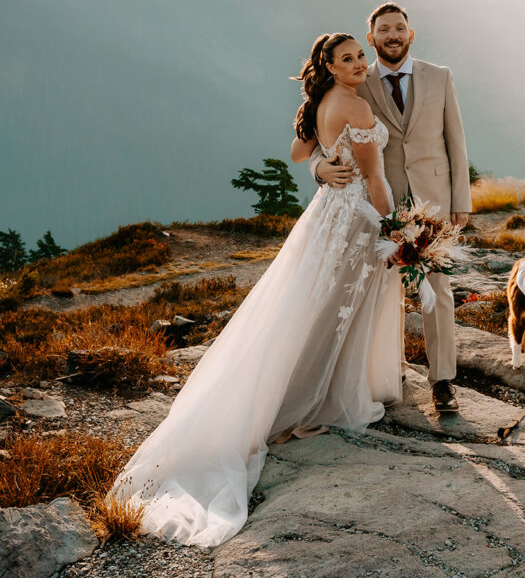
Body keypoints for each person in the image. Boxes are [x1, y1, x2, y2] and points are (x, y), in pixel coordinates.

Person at [108, 32, 402, 548]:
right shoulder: (353, 105)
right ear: (330, 67)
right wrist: (396, 228)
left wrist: (318, 165)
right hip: (355, 218)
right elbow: (375, 178)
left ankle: (299, 392)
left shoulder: (321, 103)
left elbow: (296, 151)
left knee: (308, 308)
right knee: (338, 308)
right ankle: (317, 399)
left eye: (360, 56)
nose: (358, 64)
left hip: (324, 217)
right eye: (348, 59)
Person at [309, 2, 471, 413]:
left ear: (410, 34)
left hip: (433, 203)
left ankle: (443, 381)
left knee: (438, 288)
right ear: (372, 38)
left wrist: (461, 201)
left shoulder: (440, 77)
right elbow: (316, 136)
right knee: (382, 292)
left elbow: (456, 140)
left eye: (399, 28)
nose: (392, 35)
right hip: (377, 203)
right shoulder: (356, 81)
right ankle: (388, 371)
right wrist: (319, 168)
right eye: (384, 30)